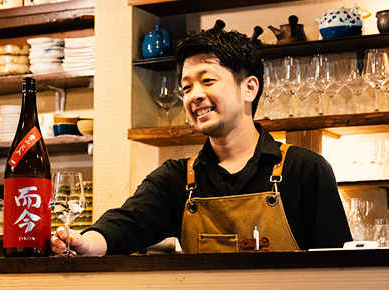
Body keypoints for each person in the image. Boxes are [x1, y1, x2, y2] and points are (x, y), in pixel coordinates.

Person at [51, 25, 352, 256]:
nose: (194, 95)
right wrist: (85, 243)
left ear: (249, 89)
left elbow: (342, 271)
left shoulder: (305, 170)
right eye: (186, 87)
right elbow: (127, 224)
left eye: (207, 81)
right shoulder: (176, 179)